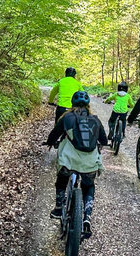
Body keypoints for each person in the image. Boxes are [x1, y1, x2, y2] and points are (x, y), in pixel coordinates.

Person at [45, 90, 107, 238]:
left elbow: (54, 134)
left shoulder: (67, 118)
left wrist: (50, 142)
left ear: (72, 104)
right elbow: (104, 141)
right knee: (89, 185)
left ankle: (59, 207)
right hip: (90, 165)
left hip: (69, 161)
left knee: (62, 178)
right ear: (88, 105)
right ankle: (86, 216)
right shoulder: (96, 120)